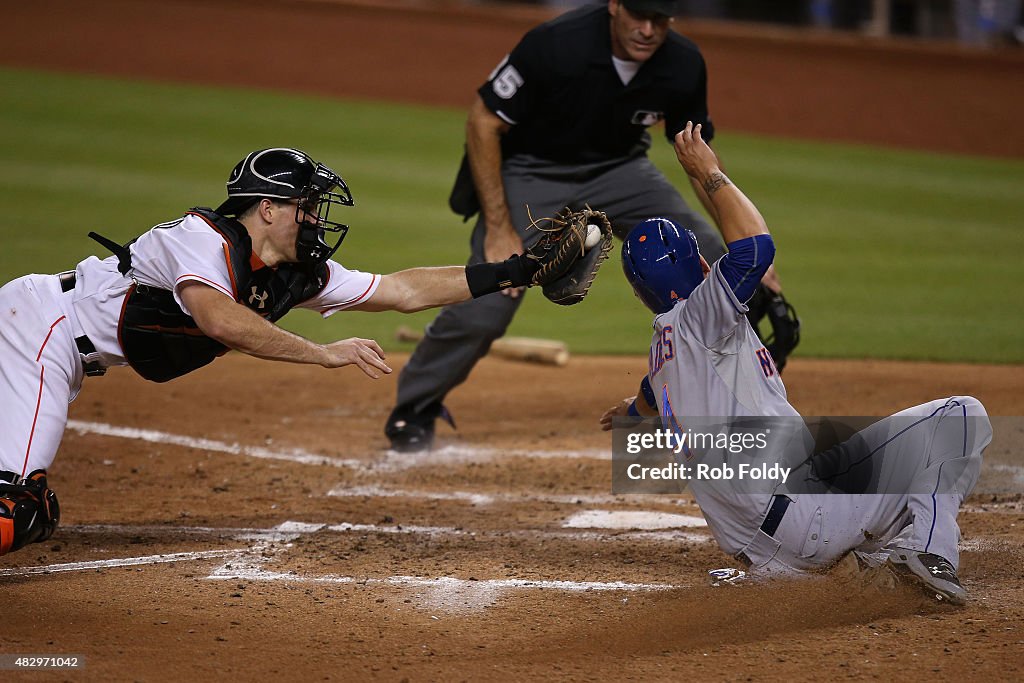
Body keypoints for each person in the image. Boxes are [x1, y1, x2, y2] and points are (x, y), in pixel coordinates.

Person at [0, 147, 573, 557]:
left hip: (61, 352)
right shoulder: (202, 240)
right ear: (268, 209)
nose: (317, 218)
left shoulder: (293, 274)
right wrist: (322, 354)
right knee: (17, 512)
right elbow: (221, 321)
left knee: (33, 510)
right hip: (39, 330)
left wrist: (514, 271)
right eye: (307, 205)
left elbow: (403, 291)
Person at [600, 121, 992, 604]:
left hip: (760, 552)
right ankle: (930, 555)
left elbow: (647, 396)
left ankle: (875, 562)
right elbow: (755, 249)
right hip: (808, 520)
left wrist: (630, 413)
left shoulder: (663, 354)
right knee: (960, 417)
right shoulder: (702, 312)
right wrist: (710, 173)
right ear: (699, 266)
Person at [384, 0, 799, 453]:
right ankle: (414, 407)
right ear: (614, 5)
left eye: (658, 20)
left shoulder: (683, 63)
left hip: (621, 170)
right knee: (488, 300)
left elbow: (698, 157)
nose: (646, 29)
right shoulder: (556, 44)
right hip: (533, 172)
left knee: (717, 262)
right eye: (637, 15)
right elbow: (483, 121)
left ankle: (738, 402)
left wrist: (738, 243)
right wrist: (500, 228)